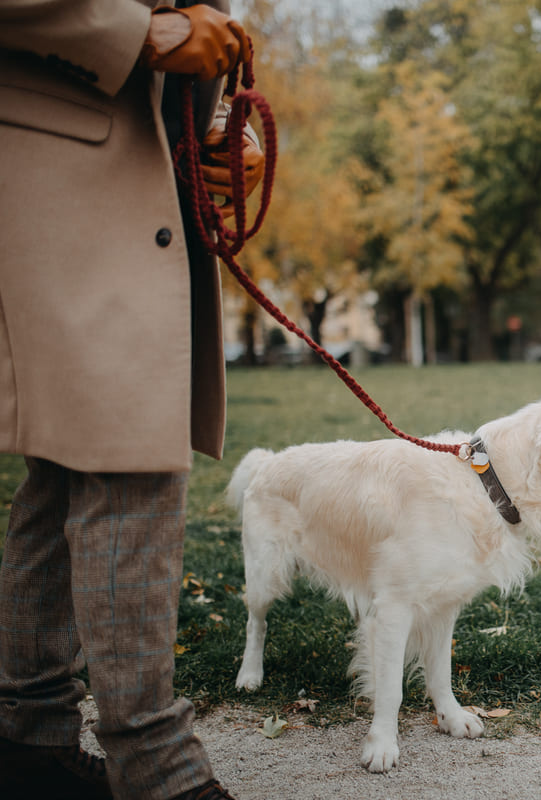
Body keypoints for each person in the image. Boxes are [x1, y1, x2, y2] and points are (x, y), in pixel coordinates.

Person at [0, 2, 264, 798]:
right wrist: (138, 33)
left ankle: (27, 737)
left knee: (68, 462)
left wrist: (217, 127)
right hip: (55, 170)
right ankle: (154, 766)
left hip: (131, 177)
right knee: (131, 450)